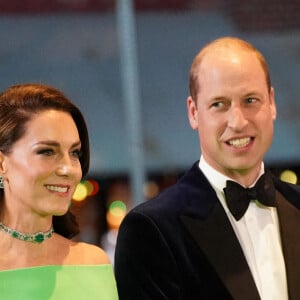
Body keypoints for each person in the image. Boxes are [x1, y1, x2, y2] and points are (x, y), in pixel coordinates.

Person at [114, 37, 300, 299]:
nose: (237, 121)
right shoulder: (152, 230)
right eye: (219, 104)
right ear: (193, 112)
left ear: (271, 103)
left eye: (250, 100)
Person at [0, 83, 119, 299]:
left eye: (74, 153)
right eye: (47, 151)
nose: (68, 169)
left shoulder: (93, 263)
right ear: (1, 163)